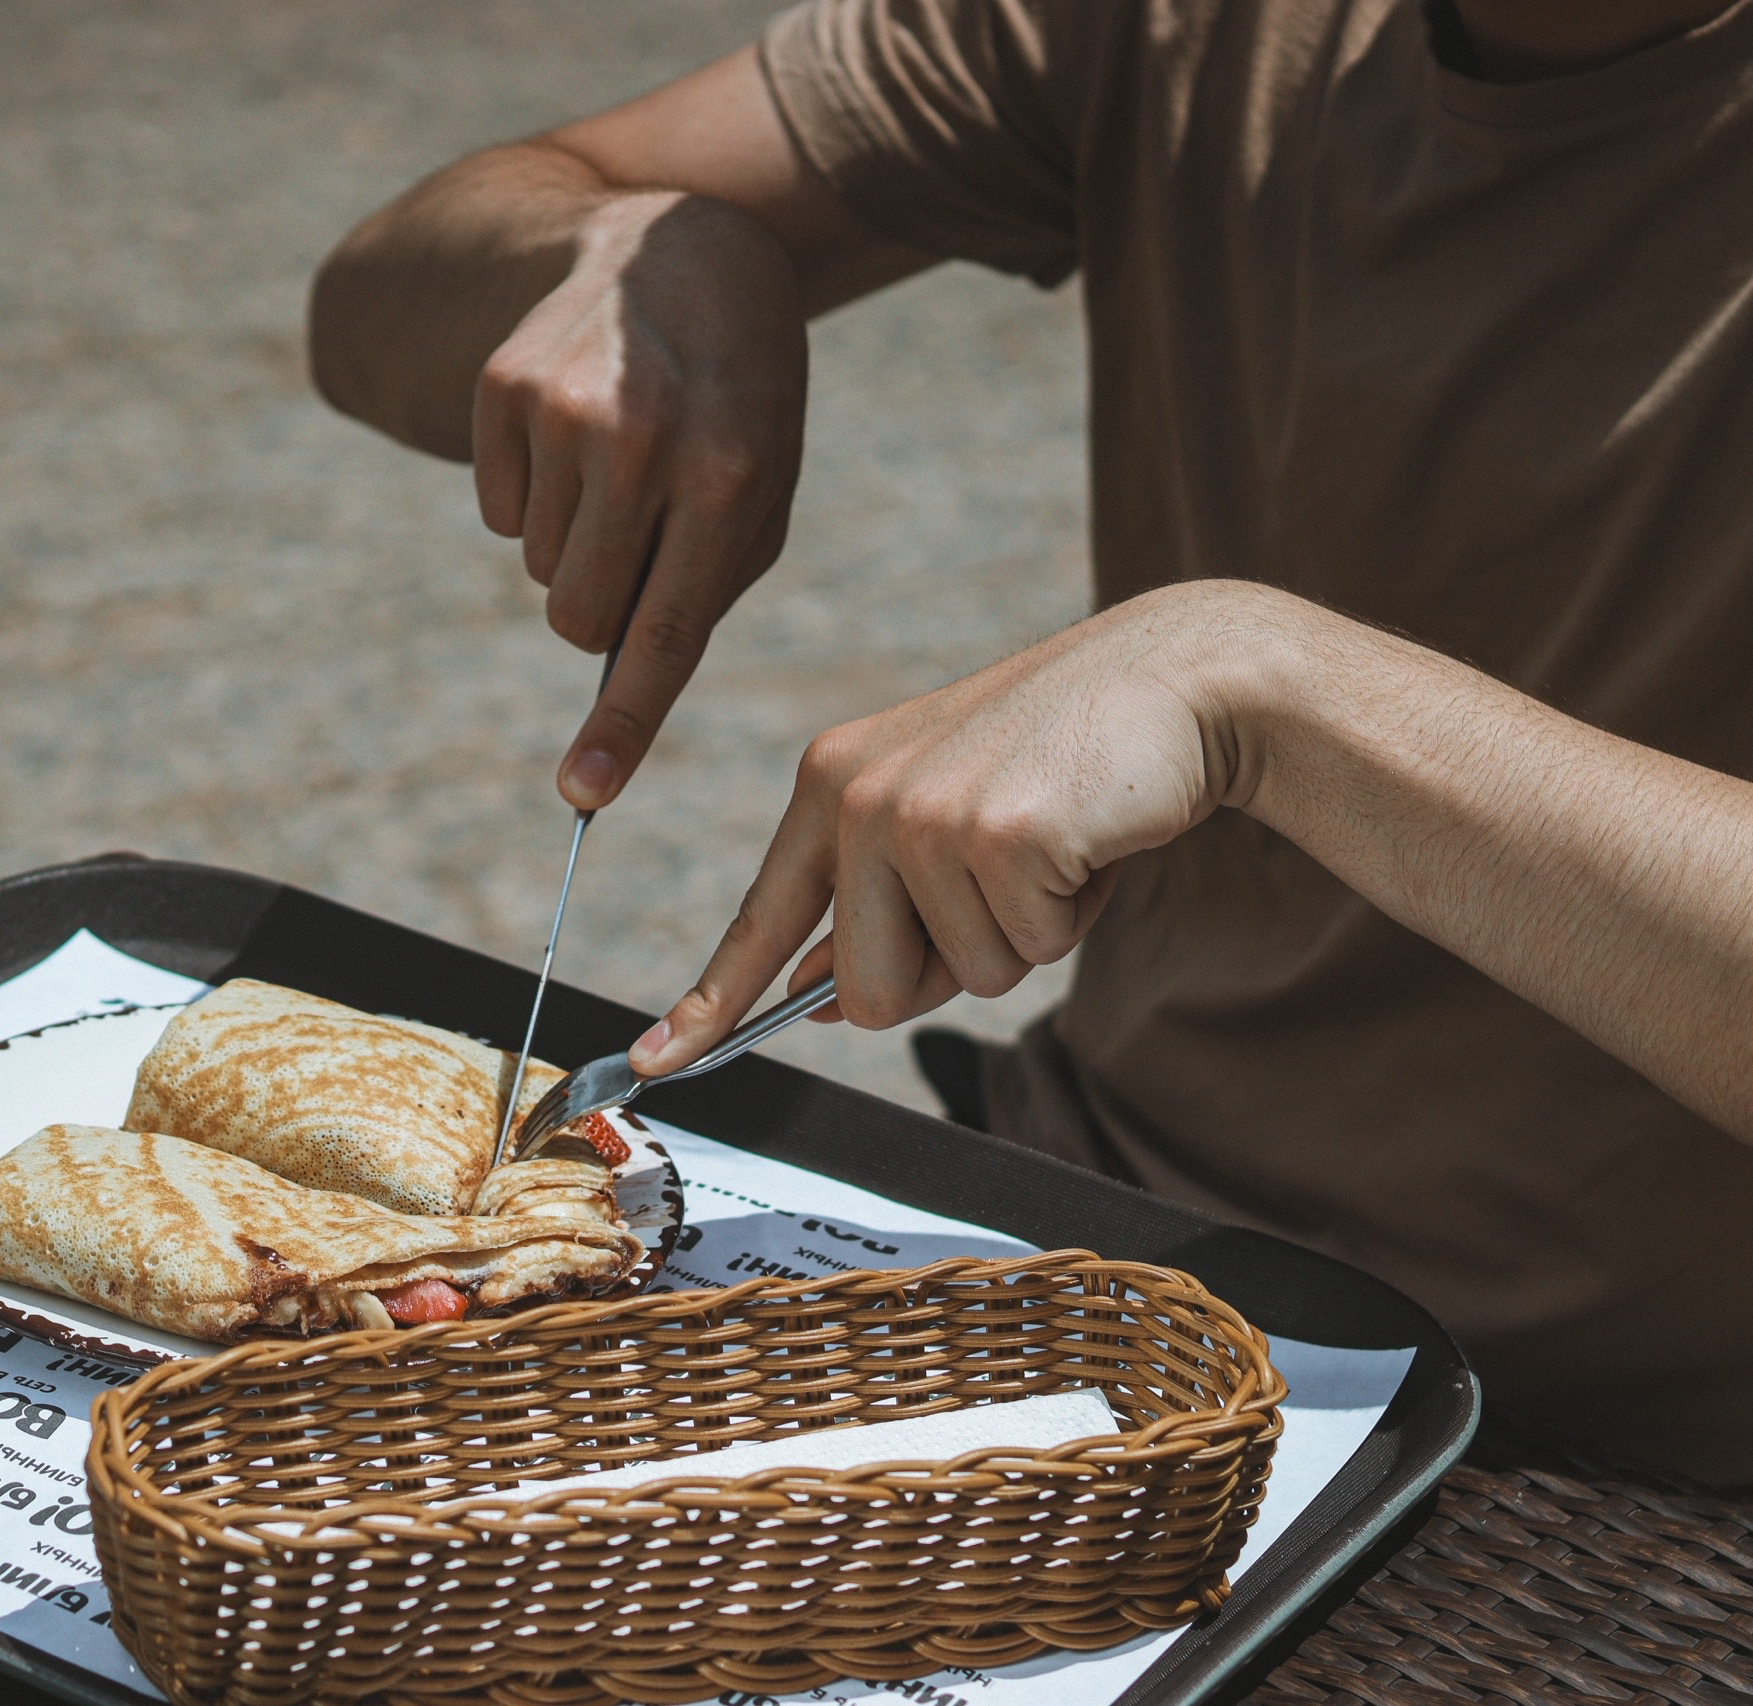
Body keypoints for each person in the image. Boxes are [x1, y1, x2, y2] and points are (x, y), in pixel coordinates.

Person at [308, 0, 1753, 1489]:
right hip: (1113, 1253)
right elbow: (371, 299)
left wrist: (1269, 692)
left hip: (1638, 1460)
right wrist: (631, 250)